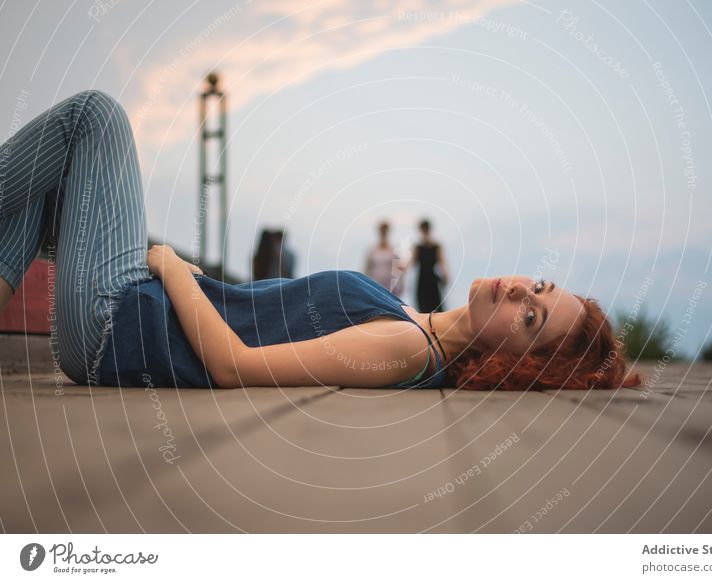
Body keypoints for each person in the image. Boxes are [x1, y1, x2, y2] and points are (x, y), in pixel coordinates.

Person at [0, 90, 641, 391]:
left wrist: (167, 265)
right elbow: (259, 321)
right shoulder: (414, 326)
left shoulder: (403, 346)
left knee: (96, 116)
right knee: (39, 190)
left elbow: (232, 367)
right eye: (539, 285)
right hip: (129, 321)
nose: (517, 290)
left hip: (119, 324)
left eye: (529, 317)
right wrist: (198, 283)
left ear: (513, 365)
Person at [409, 219, 448, 313]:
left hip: (432, 281)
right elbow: (412, 263)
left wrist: (445, 276)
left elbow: (442, 263)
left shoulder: (436, 246)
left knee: (437, 307)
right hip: (423, 281)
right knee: (423, 308)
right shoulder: (418, 247)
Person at [364, 220, 404, 295]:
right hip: (375, 285)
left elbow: (399, 271)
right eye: (382, 230)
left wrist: (400, 285)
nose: (383, 232)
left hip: (390, 287)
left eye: (385, 230)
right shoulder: (372, 250)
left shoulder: (393, 250)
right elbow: (367, 269)